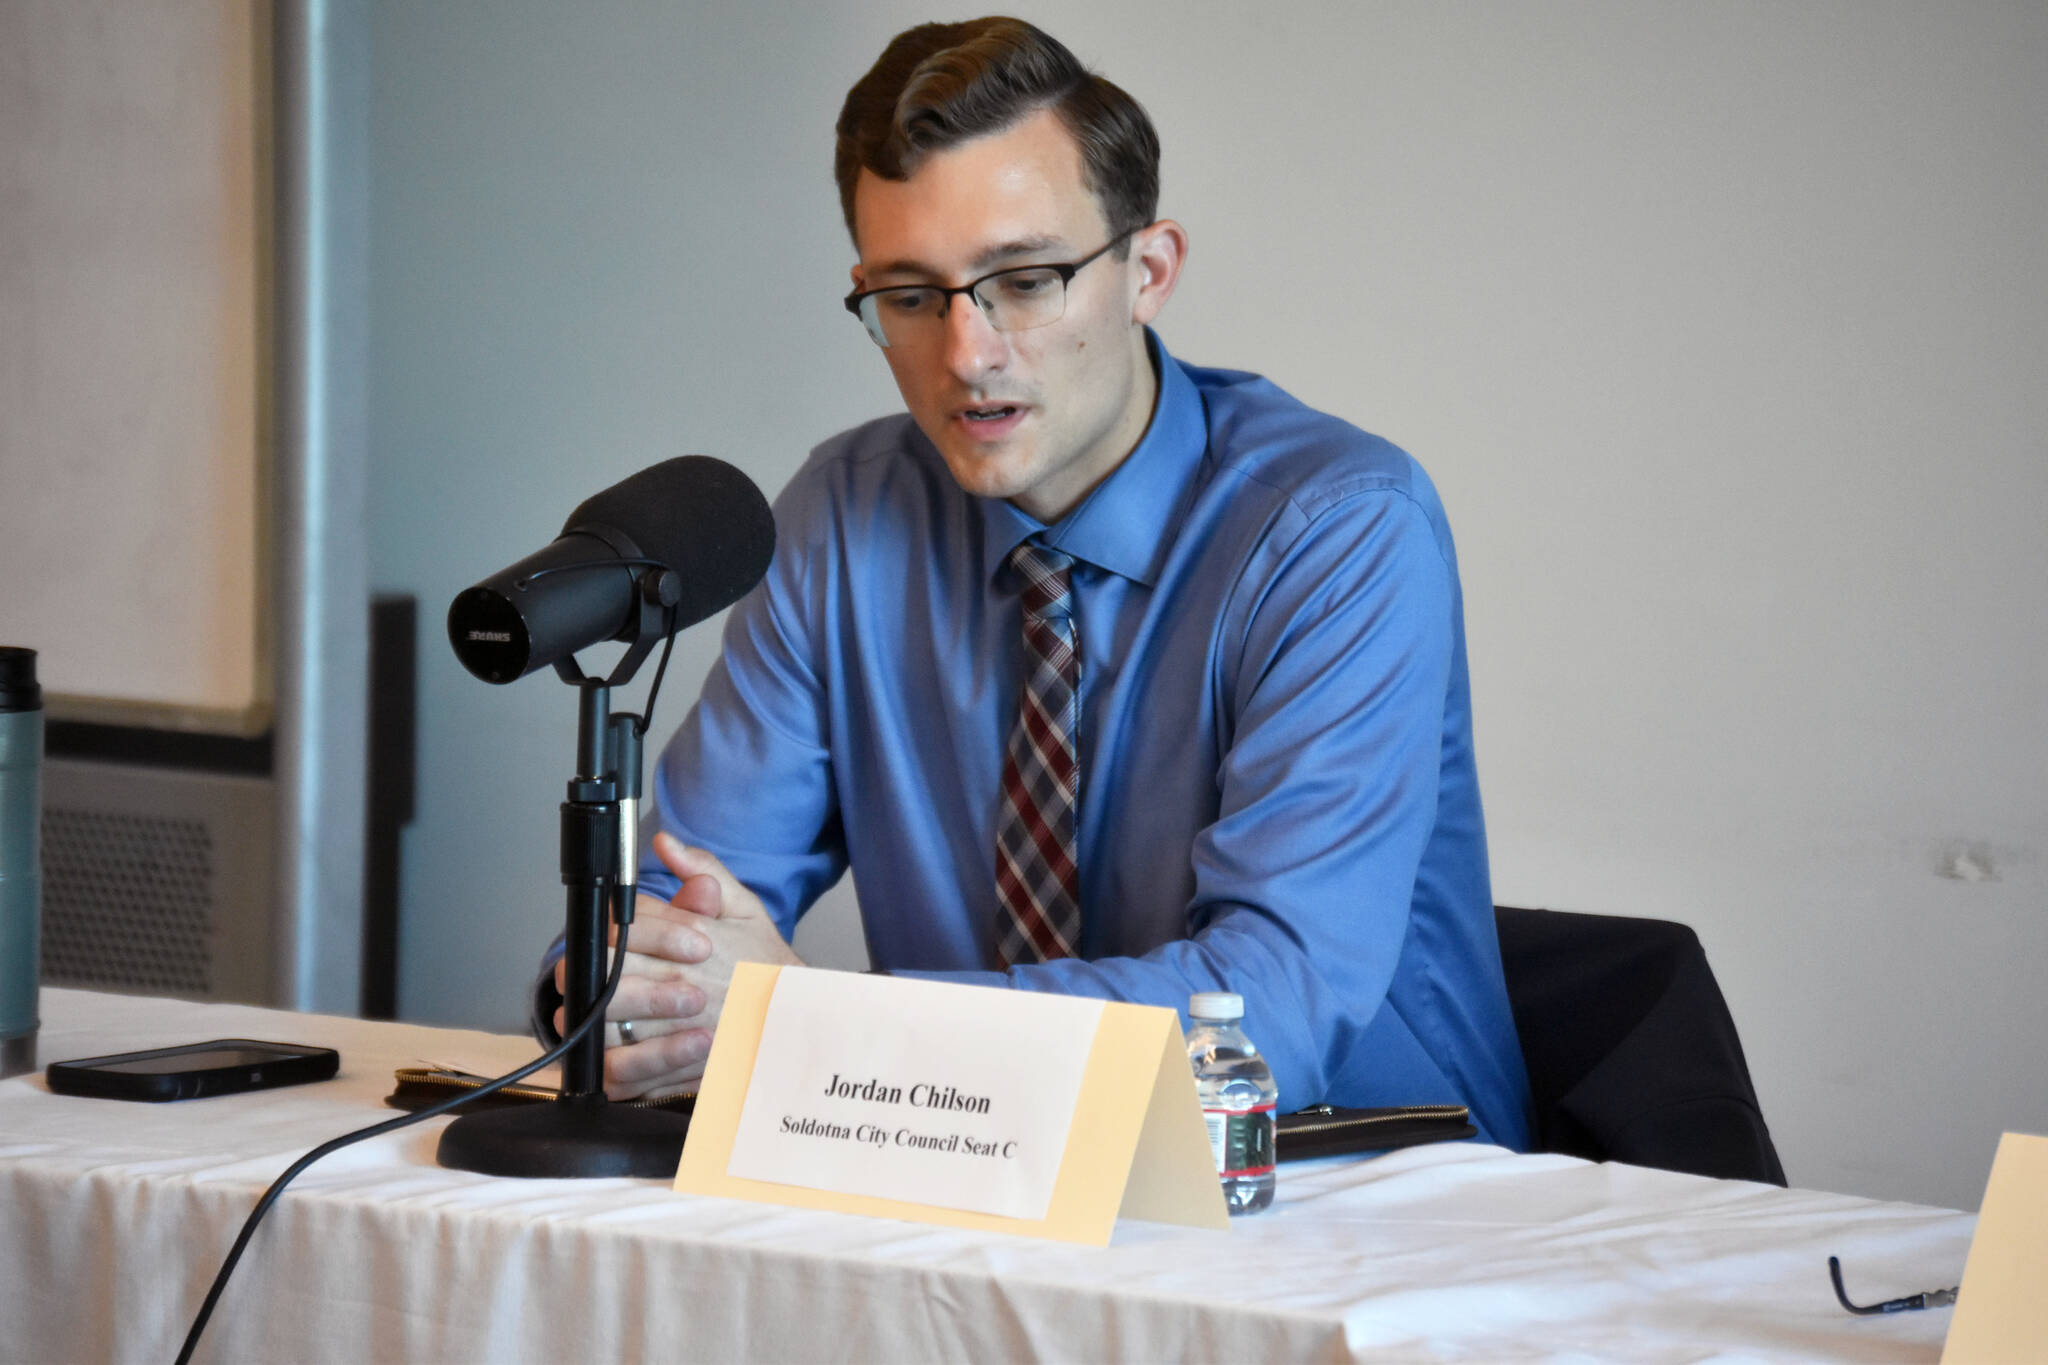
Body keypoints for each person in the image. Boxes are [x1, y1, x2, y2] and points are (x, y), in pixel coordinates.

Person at [537, 16, 1533, 1148]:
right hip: (964, 1166)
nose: (968, 354)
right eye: (910, 296)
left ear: (1146, 271)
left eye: (1023, 279)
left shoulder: (1339, 530)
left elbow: (1262, 1025)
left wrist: (812, 1028)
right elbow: (687, 903)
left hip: (1350, 1191)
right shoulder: (843, 514)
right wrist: (628, 993)